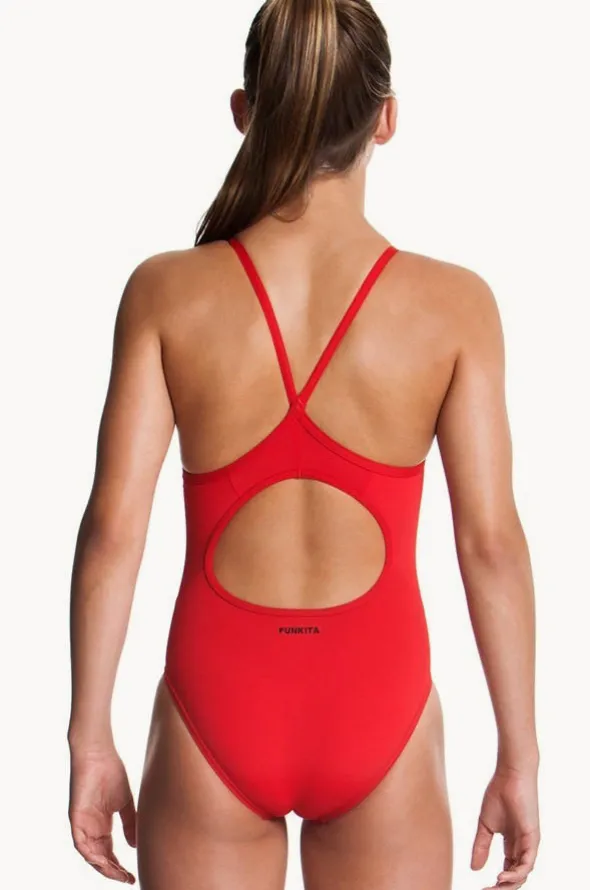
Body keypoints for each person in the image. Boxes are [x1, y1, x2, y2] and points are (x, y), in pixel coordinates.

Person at [67, 1, 540, 888]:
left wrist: (89, 738)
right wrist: (520, 756)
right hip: (379, 702)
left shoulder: (165, 293)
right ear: (386, 119)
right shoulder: (455, 308)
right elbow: (490, 545)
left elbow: (112, 533)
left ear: (245, 113)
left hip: (215, 705)